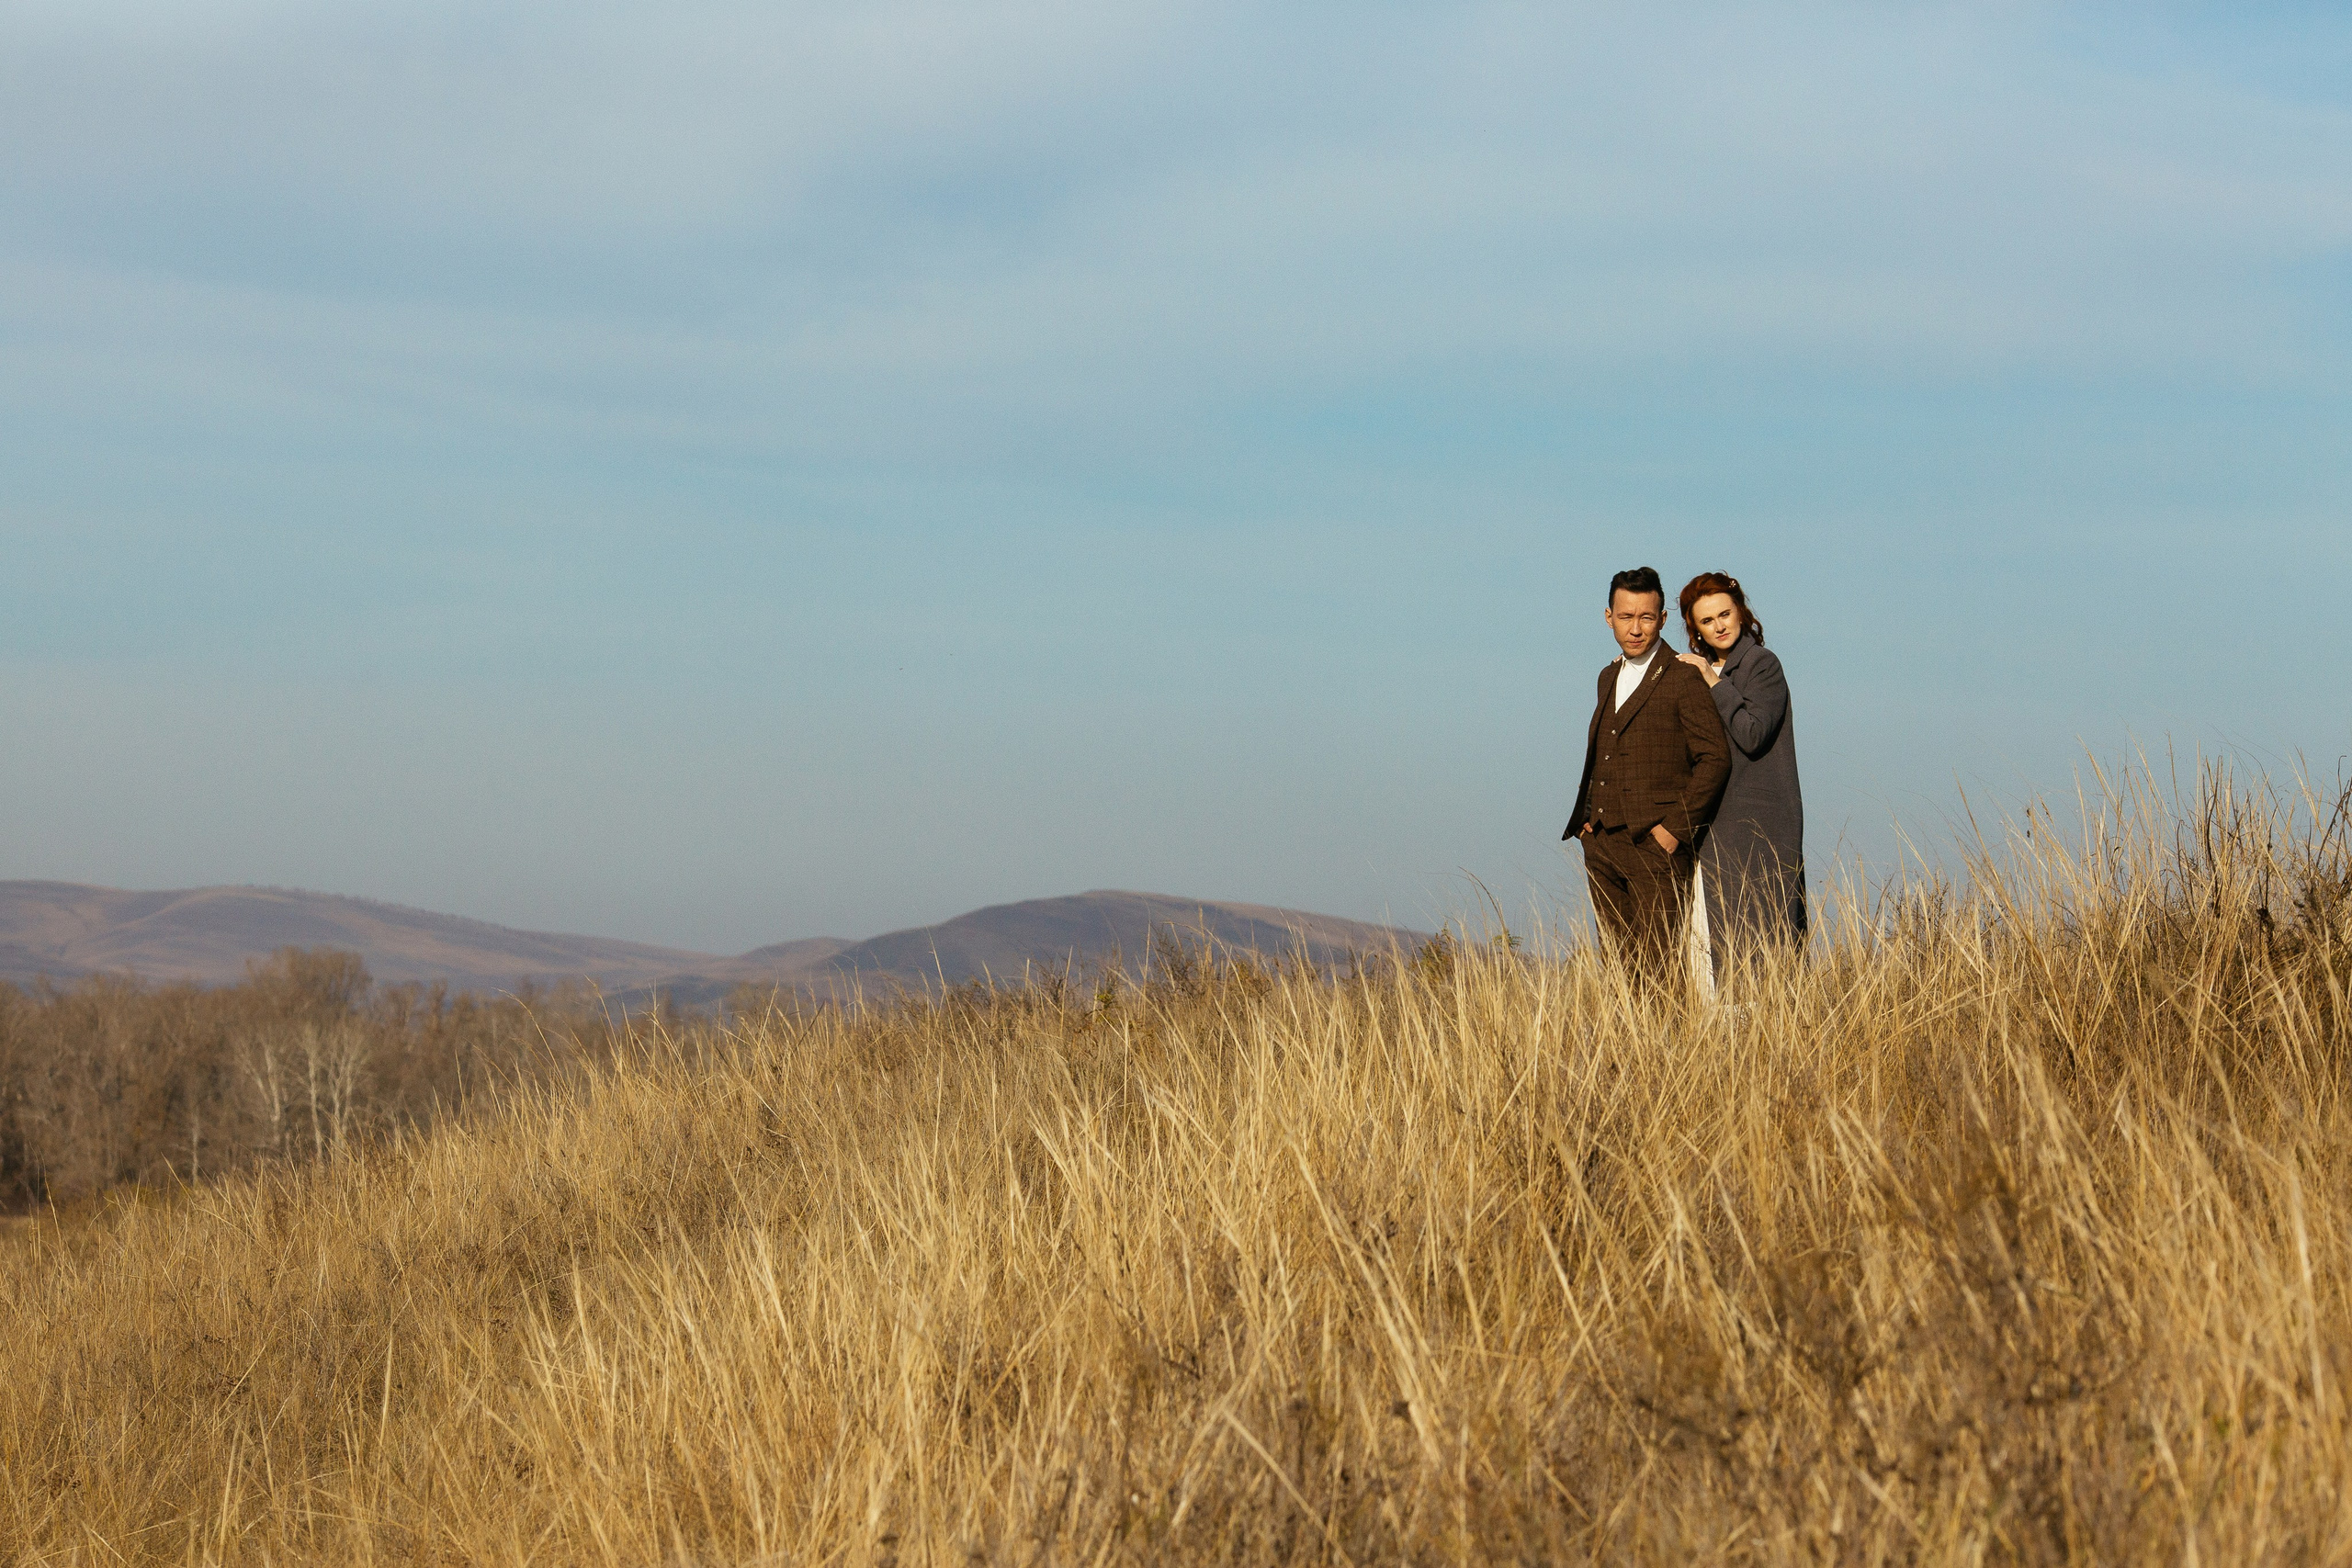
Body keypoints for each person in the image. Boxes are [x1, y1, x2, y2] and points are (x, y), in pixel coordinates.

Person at [1564, 566, 1731, 979]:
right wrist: (1587, 820)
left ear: (1663, 619)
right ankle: (1628, 1046)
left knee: (1660, 971)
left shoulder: (1683, 676)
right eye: (1625, 617)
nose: (1635, 628)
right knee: (1620, 972)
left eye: (1646, 617)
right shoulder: (1607, 676)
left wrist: (1673, 831)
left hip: (1656, 847)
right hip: (1601, 842)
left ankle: (1667, 1046)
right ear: (1608, 617)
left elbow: (1714, 758)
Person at [1675, 572, 1805, 973]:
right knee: (1717, 949)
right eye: (1706, 621)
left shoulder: (1762, 664)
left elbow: (1752, 733)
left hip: (1762, 827)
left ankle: (1773, 1033)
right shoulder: (1702, 671)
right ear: (1694, 629)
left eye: (1725, 614)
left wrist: (1713, 681)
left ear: (1741, 611)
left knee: (1764, 946)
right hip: (1714, 827)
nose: (1719, 626)